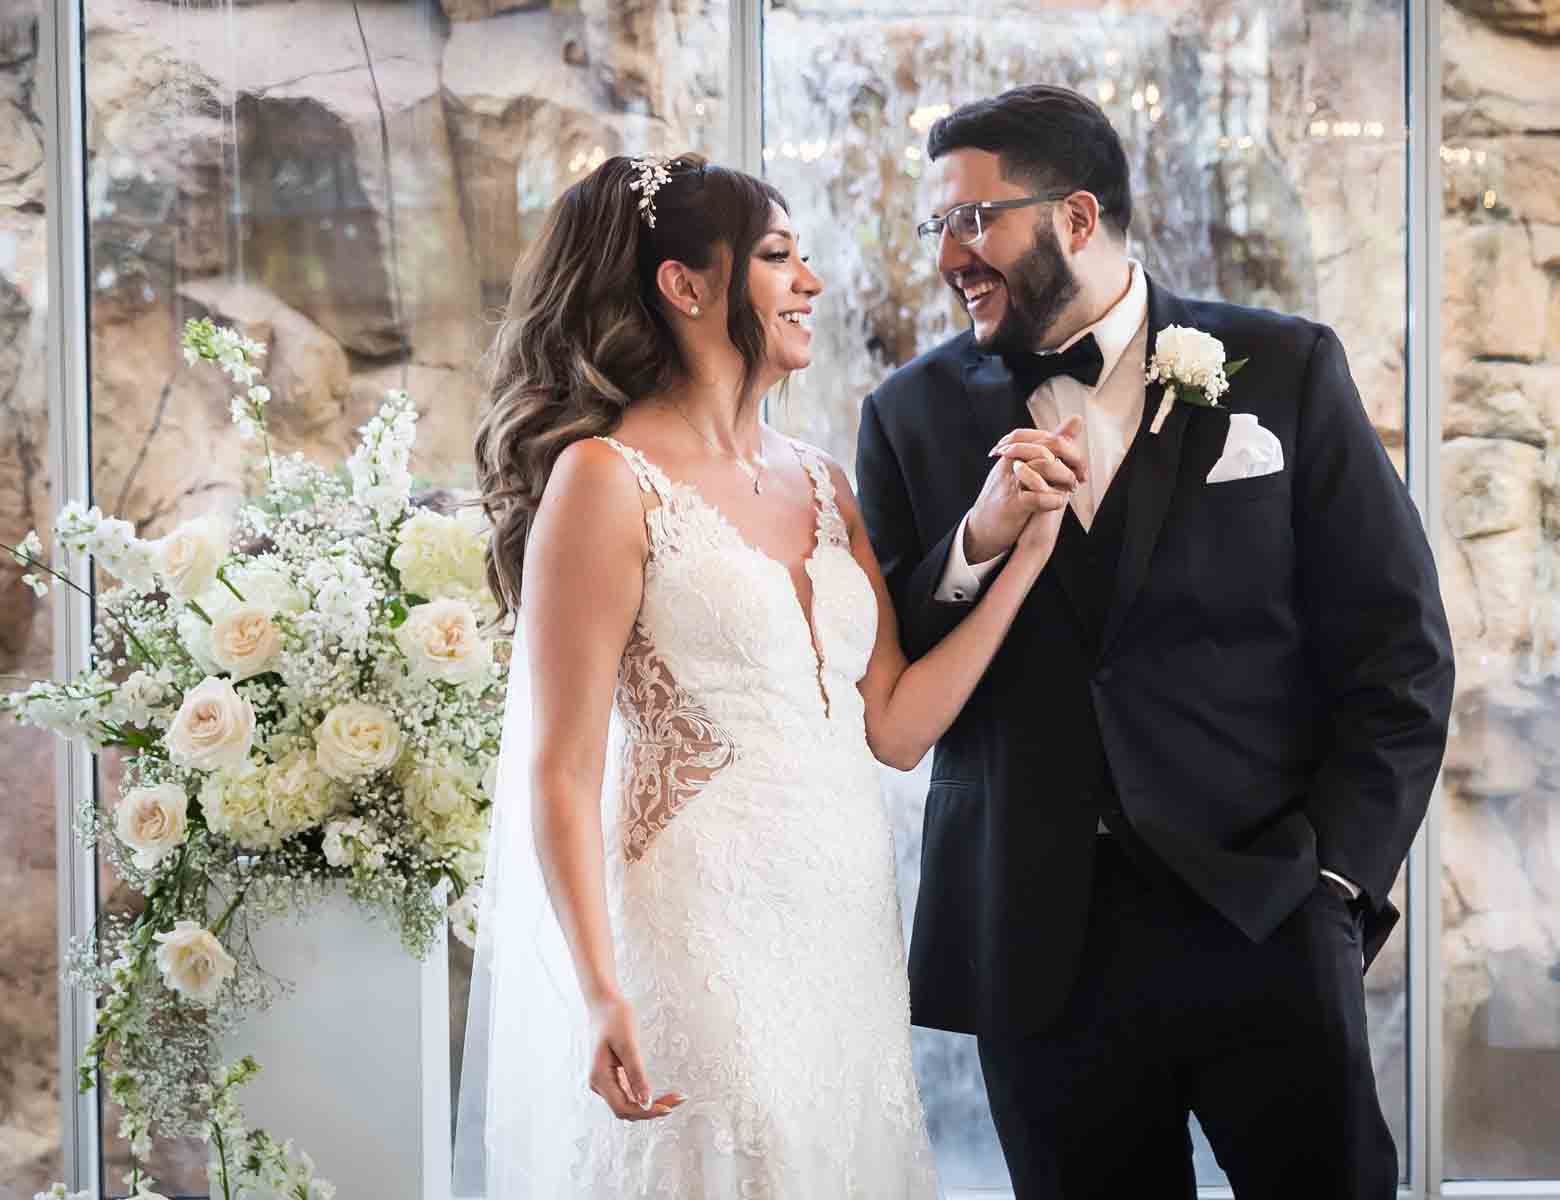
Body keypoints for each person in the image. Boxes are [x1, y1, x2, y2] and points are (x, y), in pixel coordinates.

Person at [856, 85, 1456, 1198]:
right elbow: (884, 671)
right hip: (1036, 951)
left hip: (1265, 919)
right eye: (933, 225)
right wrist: (977, 543)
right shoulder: (908, 415)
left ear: (1078, 219)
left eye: (972, 219)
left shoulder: (1284, 368)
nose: (949, 255)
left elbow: (1400, 650)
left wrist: (1333, 880)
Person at [453, 152, 1077, 1198]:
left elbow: (895, 726)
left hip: (843, 926)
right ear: (686, 286)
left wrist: (1028, 555)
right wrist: (601, 990)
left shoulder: (823, 481)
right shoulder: (604, 483)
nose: (813, 285)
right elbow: (560, 772)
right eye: (779, 258)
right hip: (695, 925)